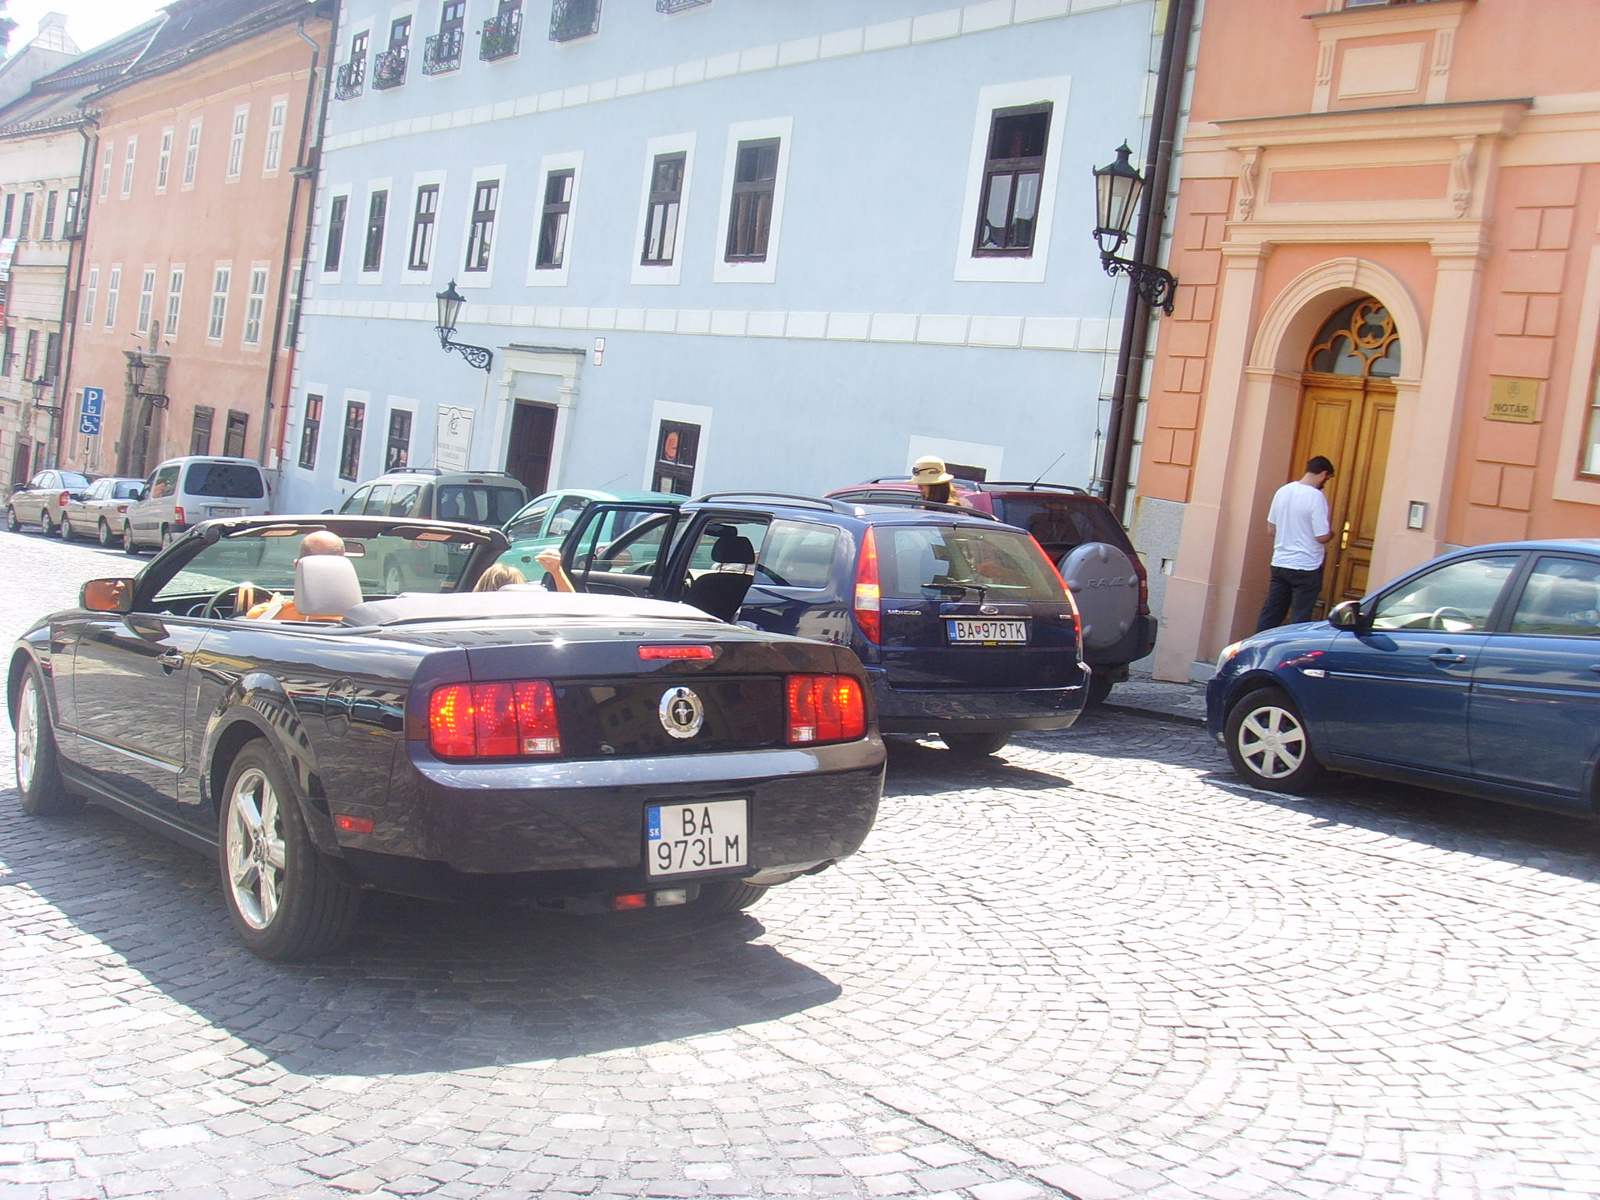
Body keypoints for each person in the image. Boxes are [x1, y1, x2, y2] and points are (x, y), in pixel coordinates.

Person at [1255, 455, 1335, 632]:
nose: (1325, 483)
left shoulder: (1283, 491)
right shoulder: (1316, 496)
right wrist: (1332, 534)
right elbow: (1321, 536)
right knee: (1300, 617)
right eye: (1327, 479)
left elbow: (1271, 530)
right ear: (1323, 474)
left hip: (1280, 562)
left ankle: (1256, 644)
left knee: (1272, 612)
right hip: (1306, 566)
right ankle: (1294, 651)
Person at [245, 530, 347, 620]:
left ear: (297, 565)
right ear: (344, 568)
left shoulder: (261, 616)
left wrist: (275, 607)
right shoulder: (359, 618)